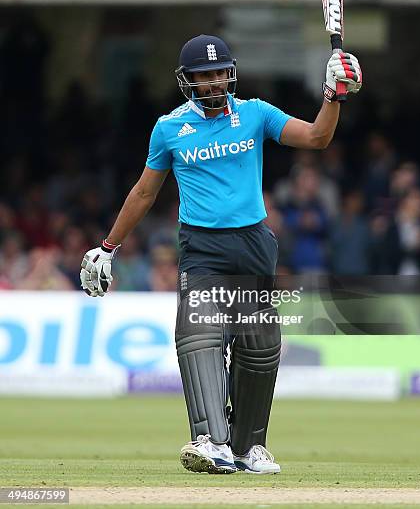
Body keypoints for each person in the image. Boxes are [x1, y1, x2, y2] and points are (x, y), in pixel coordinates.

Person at [80, 34, 362, 474]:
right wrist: (107, 247)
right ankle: (210, 440)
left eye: (218, 74)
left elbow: (318, 137)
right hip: (202, 248)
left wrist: (333, 95)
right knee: (199, 335)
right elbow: (143, 193)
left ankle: (250, 448)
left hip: (253, 244)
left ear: (229, 75)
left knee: (258, 344)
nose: (212, 83)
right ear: (186, 80)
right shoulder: (169, 128)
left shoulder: (255, 114)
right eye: (202, 76)